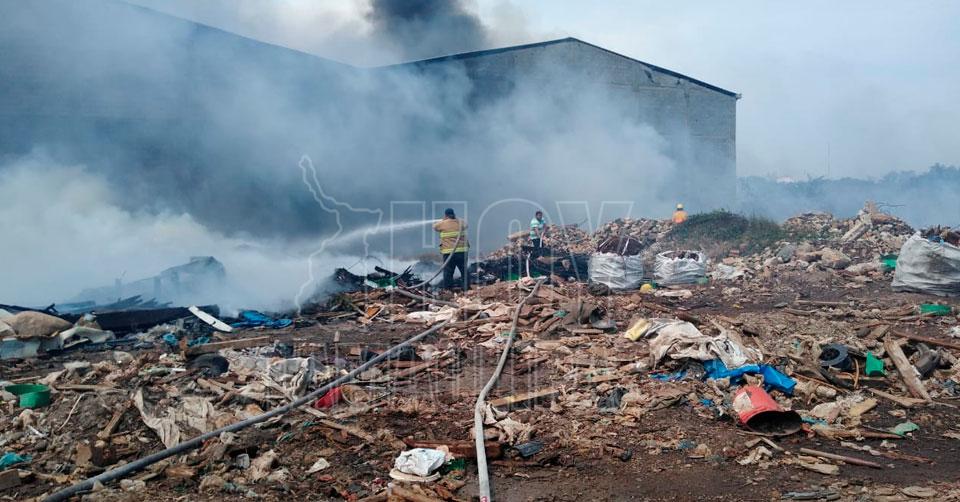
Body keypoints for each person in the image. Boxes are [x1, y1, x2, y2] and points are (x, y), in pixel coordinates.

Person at [433, 208, 469, 290]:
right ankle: (466, 288)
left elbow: (434, 226)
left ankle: (448, 289)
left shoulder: (442, 224)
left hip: (449, 253)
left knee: (448, 272)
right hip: (462, 252)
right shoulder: (460, 222)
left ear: (445, 215)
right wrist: (456, 218)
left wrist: (443, 220)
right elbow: (466, 224)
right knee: (464, 271)